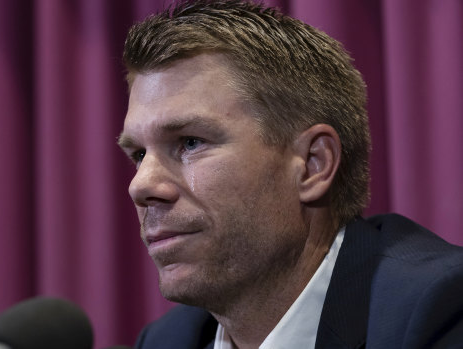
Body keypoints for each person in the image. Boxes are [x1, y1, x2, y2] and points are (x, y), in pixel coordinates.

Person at [117, 1, 463, 348]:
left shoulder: (438, 311)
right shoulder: (169, 340)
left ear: (313, 164)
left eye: (190, 142)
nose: (141, 185)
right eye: (139, 154)